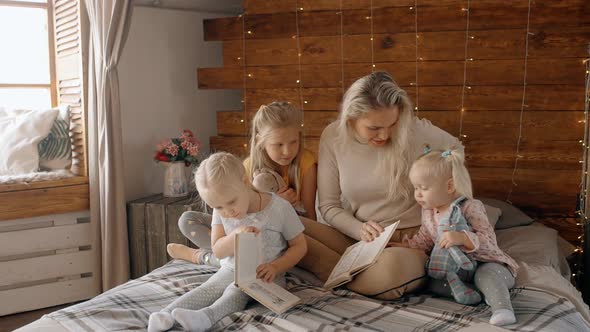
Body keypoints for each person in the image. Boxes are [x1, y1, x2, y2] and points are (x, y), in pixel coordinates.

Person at [296, 71, 464, 299]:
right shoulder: (333, 136)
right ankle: (353, 273)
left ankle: (331, 269)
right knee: (286, 222)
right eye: (374, 128)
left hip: (409, 242)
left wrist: (438, 217)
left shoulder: (416, 131)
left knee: (389, 273)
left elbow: (456, 150)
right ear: (351, 118)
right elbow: (328, 206)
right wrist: (359, 229)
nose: (384, 135)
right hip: (358, 237)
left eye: (392, 124)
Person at [147, 152, 307, 332]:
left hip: (269, 276)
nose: (227, 212)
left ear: (245, 182)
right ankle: (165, 315)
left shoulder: (279, 208)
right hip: (232, 267)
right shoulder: (222, 209)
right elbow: (218, 251)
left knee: (236, 290)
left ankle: (207, 317)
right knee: (210, 287)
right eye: (218, 207)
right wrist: (235, 236)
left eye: (231, 202)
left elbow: (299, 246)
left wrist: (276, 267)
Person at [167, 101, 317, 266]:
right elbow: (241, 211)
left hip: (281, 233)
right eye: (278, 145)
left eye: (293, 142)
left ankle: (205, 258)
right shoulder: (247, 167)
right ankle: (213, 257)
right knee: (187, 220)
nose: (287, 151)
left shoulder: (306, 162)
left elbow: (311, 217)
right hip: (241, 229)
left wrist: (283, 206)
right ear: (261, 141)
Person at [396, 148, 518, 326]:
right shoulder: (429, 212)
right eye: (416, 188)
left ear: (450, 186)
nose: (418, 194)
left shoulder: (470, 206)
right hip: (456, 270)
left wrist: (462, 238)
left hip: (485, 263)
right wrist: (406, 246)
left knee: (486, 276)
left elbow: (488, 240)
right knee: (432, 282)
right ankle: (470, 293)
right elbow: (426, 239)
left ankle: (503, 309)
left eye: (424, 188)